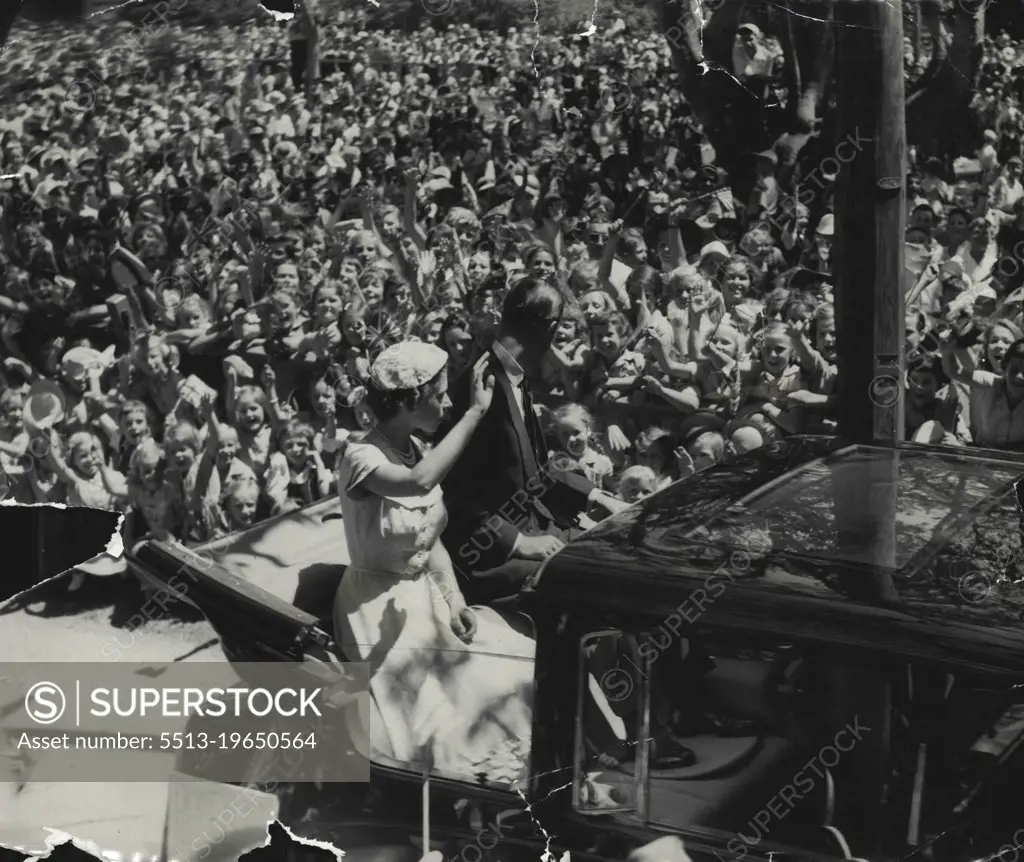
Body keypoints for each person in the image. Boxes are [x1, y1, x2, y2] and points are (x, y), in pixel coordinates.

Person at [332, 341, 535, 784]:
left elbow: (431, 538)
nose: (446, 402)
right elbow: (417, 484)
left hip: (424, 598)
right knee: (449, 716)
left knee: (511, 672)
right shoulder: (360, 456)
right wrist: (474, 414)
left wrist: (454, 599)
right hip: (375, 606)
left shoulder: (417, 449)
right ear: (408, 400)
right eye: (439, 394)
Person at [440, 278, 626, 605]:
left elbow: (537, 472)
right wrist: (516, 542)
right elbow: (453, 493)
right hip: (489, 555)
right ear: (549, 328)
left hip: (537, 527)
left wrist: (600, 497)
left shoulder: (514, 378)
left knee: (617, 548)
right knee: (600, 580)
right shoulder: (476, 390)